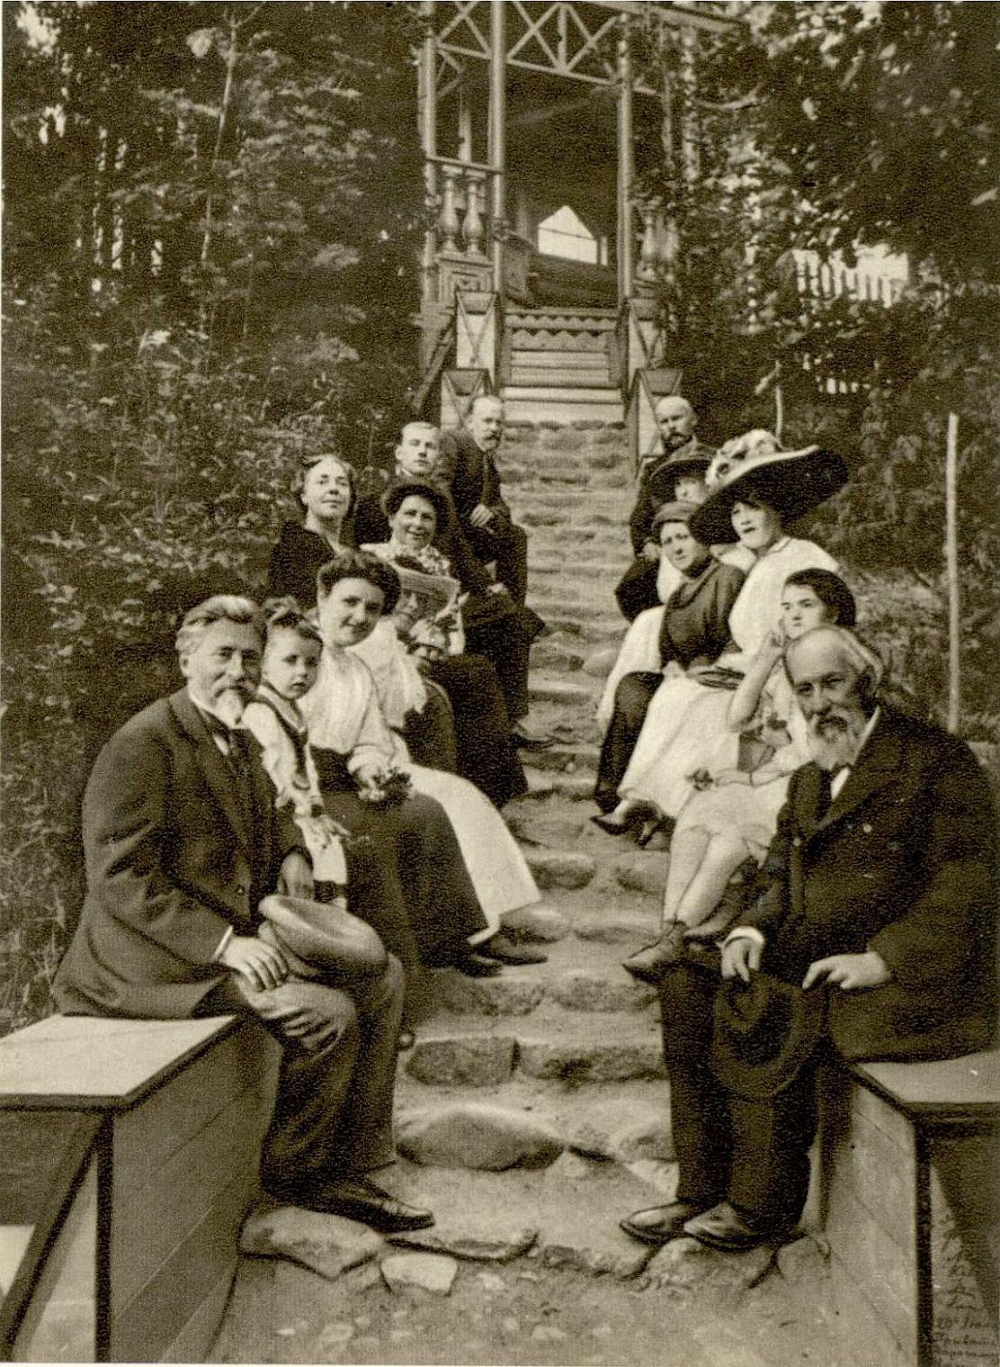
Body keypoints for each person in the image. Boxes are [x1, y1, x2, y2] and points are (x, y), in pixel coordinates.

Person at [52, 596, 433, 1233]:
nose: (238, 671)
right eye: (223, 655)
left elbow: (273, 813)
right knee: (327, 1014)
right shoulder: (143, 743)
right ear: (186, 659)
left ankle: (358, 1158)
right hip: (147, 967)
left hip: (222, 943)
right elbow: (119, 878)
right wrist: (226, 943)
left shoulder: (240, 739)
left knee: (385, 975)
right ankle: (298, 1173)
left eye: (250, 658)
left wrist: (293, 851)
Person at [621, 625, 998, 1252]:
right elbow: (778, 870)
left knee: (779, 1004)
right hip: (820, 955)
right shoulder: (808, 777)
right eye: (805, 690)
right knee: (687, 983)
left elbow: (969, 885)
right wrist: (749, 929)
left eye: (833, 683)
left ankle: (761, 1207)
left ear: (868, 682)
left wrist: (884, 959)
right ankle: (700, 1189)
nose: (821, 703)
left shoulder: (935, 760)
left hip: (917, 983)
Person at [302, 551, 546, 984]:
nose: (360, 617)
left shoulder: (354, 667)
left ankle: (458, 935)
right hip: (303, 785)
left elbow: (369, 736)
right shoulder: (298, 654)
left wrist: (369, 768)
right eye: (350, 602)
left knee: (436, 807)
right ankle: (410, 962)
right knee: (400, 822)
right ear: (323, 596)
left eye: (372, 609)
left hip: (346, 777)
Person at [623, 570, 857, 983]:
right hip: (779, 776)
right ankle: (670, 935)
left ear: (833, 612)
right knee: (695, 820)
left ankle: (676, 936)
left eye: (806, 605)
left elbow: (819, 750)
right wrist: (765, 661)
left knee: (728, 840)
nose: (794, 615)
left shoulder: (840, 663)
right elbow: (736, 719)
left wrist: (751, 777)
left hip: (821, 783)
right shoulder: (788, 658)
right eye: (786, 606)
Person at [602, 444, 846, 835]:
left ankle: (670, 807)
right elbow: (739, 635)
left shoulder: (804, 556)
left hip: (785, 676)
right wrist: (718, 668)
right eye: (736, 513)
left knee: (694, 703)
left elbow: (825, 625)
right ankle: (645, 802)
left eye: (753, 509)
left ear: (775, 509)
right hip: (747, 671)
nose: (743, 519)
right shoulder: (754, 563)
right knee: (675, 692)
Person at [363, 479, 550, 751]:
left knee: (482, 664)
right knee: (476, 673)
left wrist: (442, 632)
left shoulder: (439, 565)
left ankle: (494, 764)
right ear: (392, 519)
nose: (417, 524)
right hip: (384, 650)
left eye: (427, 518)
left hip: (433, 651)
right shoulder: (372, 559)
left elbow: (452, 629)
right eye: (410, 514)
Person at [593, 502, 746, 822]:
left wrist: (704, 668)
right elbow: (669, 650)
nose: (676, 548)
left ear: (703, 538)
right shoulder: (678, 595)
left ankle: (645, 799)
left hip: (718, 679)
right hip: (686, 676)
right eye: (668, 542)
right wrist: (673, 666)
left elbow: (736, 638)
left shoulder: (727, 578)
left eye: (683, 537)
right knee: (633, 686)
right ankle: (611, 793)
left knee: (664, 699)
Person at [614, 397, 717, 622]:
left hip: (709, 540)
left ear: (693, 420)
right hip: (667, 546)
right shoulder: (655, 469)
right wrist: (647, 543)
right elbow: (639, 519)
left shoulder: (715, 458)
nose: (671, 426)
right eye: (664, 422)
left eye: (676, 418)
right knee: (631, 587)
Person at [438, 394, 530, 607]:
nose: (494, 428)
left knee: (515, 536)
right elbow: (441, 488)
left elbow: (501, 506)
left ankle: (513, 610)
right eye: (487, 421)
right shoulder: (454, 442)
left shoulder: (487, 460)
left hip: (470, 534)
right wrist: (454, 530)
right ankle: (499, 602)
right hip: (447, 533)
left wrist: (492, 512)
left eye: (499, 422)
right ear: (470, 422)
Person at [267, 451, 357, 605]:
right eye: (322, 482)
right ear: (304, 495)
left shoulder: (355, 554)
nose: (334, 489)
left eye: (342, 483)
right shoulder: (291, 550)